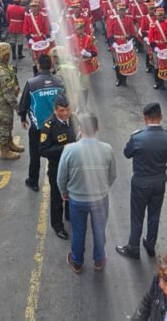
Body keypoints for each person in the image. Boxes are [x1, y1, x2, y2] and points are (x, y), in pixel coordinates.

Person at [116, 103, 167, 260]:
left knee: (137, 216)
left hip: (141, 181)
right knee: (154, 215)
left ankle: (133, 247)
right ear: (161, 117)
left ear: (145, 119)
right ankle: (150, 245)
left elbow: (127, 153)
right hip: (159, 181)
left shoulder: (137, 137)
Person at [57, 113, 116, 273]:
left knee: (78, 231)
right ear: (97, 129)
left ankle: (77, 262)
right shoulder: (107, 149)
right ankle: (99, 260)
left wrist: (64, 193)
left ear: (79, 129)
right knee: (99, 230)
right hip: (100, 199)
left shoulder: (69, 150)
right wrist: (103, 188)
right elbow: (112, 176)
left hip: (76, 200)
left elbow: (61, 177)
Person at [20, 55, 65, 192]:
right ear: (51, 66)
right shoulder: (59, 82)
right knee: (56, 153)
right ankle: (56, 178)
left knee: (35, 154)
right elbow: (66, 102)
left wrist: (23, 118)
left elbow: (24, 104)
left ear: (38, 65)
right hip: (55, 127)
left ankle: (33, 181)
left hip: (38, 127)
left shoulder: (31, 83)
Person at [38, 94, 79, 239]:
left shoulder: (74, 120)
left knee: (72, 192)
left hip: (73, 167)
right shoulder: (48, 127)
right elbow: (42, 150)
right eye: (62, 110)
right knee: (57, 197)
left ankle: (70, 214)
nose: (65, 113)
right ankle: (57, 225)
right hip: (57, 168)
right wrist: (64, 148)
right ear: (55, 110)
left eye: (67, 110)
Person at [0, 42, 24, 160]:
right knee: (4, 126)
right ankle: (4, 151)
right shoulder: (2, 72)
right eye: (6, 54)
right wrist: (18, 109)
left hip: (0, 100)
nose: (8, 56)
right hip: (3, 102)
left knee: (8, 124)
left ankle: (10, 144)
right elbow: (8, 94)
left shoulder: (2, 66)